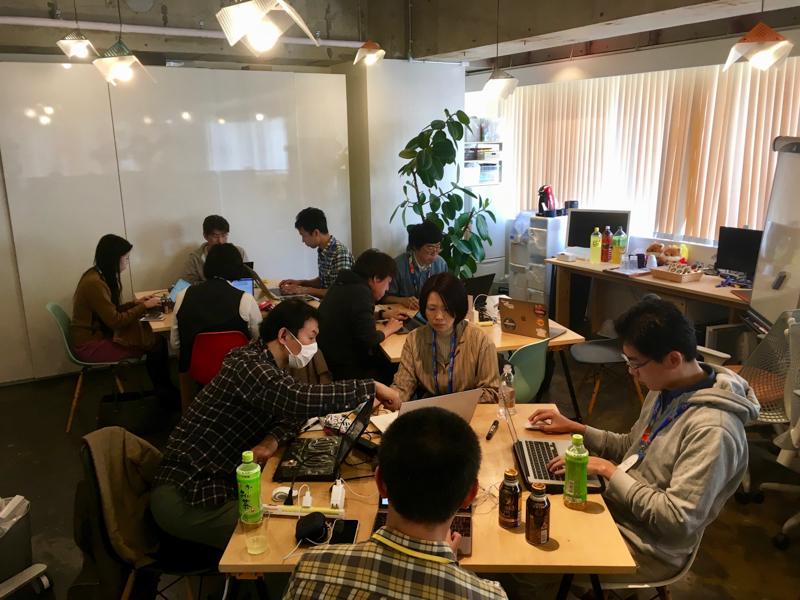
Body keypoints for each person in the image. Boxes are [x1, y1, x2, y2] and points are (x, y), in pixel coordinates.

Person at [527, 297, 759, 584]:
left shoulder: (714, 430)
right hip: (618, 509)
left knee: (529, 561)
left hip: (648, 548)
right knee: (530, 504)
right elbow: (633, 447)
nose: (631, 372)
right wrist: (577, 429)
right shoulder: (666, 387)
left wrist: (609, 471)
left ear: (673, 359)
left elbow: (677, 522)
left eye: (636, 363)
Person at [151, 299, 400, 550]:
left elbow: (291, 411)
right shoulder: (248, 365)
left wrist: (271, 440)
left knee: (291, 516)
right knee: (279, 537)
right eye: (311, 337)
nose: (313, 346)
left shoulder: (266, 364)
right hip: (188, 494)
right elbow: (297, 399)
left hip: (216, 481)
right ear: (284, 335)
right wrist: (370, 387)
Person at [282, 407, 508, 600]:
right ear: (470, 495)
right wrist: (447, 562)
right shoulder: (490, 596)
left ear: (380, 482)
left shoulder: (309, 570)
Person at [71, 234, 175, 397]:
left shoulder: (95, 275)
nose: (127, 261)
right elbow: (115, 321)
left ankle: (163, 390)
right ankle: (165, 394)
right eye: (126, 258)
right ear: (114, 259)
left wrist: (136, 303)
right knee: (155, 342)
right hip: (89, 345)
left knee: (154, 339)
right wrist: (143, 307)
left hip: (98, 334)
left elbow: (110, 310)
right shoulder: (95, 284)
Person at [388, 272, 500, 404]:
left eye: (446, 309)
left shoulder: (480, 341)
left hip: (469, 411)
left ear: (458, 308)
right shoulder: (414, 339)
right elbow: (402, 388)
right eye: (432, 309)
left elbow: (491, 392)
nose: (439, 316)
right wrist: (386, 398)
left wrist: (454, 404)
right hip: (430, 412)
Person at [317, 249, 407, 383]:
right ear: (376, 279)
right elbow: (370, 340)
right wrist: (389, 328)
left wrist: (382, 314)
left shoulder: (344, 283)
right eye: (388, 282)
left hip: (330, 361)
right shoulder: (361, 294)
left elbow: (352, 317)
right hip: (347, 372)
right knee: (397, 366)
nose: (388, 288)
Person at [171, 243, 262, 373]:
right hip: (237, 370)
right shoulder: (245, 299)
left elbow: (175, 343)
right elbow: (258, 339)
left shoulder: (182, 295)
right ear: (238, 268)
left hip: (196, 369)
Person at [279, 207, 354, 298]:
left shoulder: (340, 253)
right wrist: (301, 283)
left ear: (316, 233)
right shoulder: (323, 250)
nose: (303, 240)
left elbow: (339, 292)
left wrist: (303, 290)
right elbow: (323, 281)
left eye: (303, 235)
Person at [383, 220, 448, 310]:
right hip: (404, 313)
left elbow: (446, 292)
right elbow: (384, 298)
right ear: (415, 247)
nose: (435, 252)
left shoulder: (441, 264)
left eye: (438, 247)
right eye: (430, 247)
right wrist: (402, 300)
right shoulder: (398, 265)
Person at [180, 214, 249, 284]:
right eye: (215, 236)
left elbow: (247, 279)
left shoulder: (239, 252)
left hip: (235, 290)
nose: (220, 241)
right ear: (205, 236)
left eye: (224, 235)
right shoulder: (195, 258)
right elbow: (186, 284)